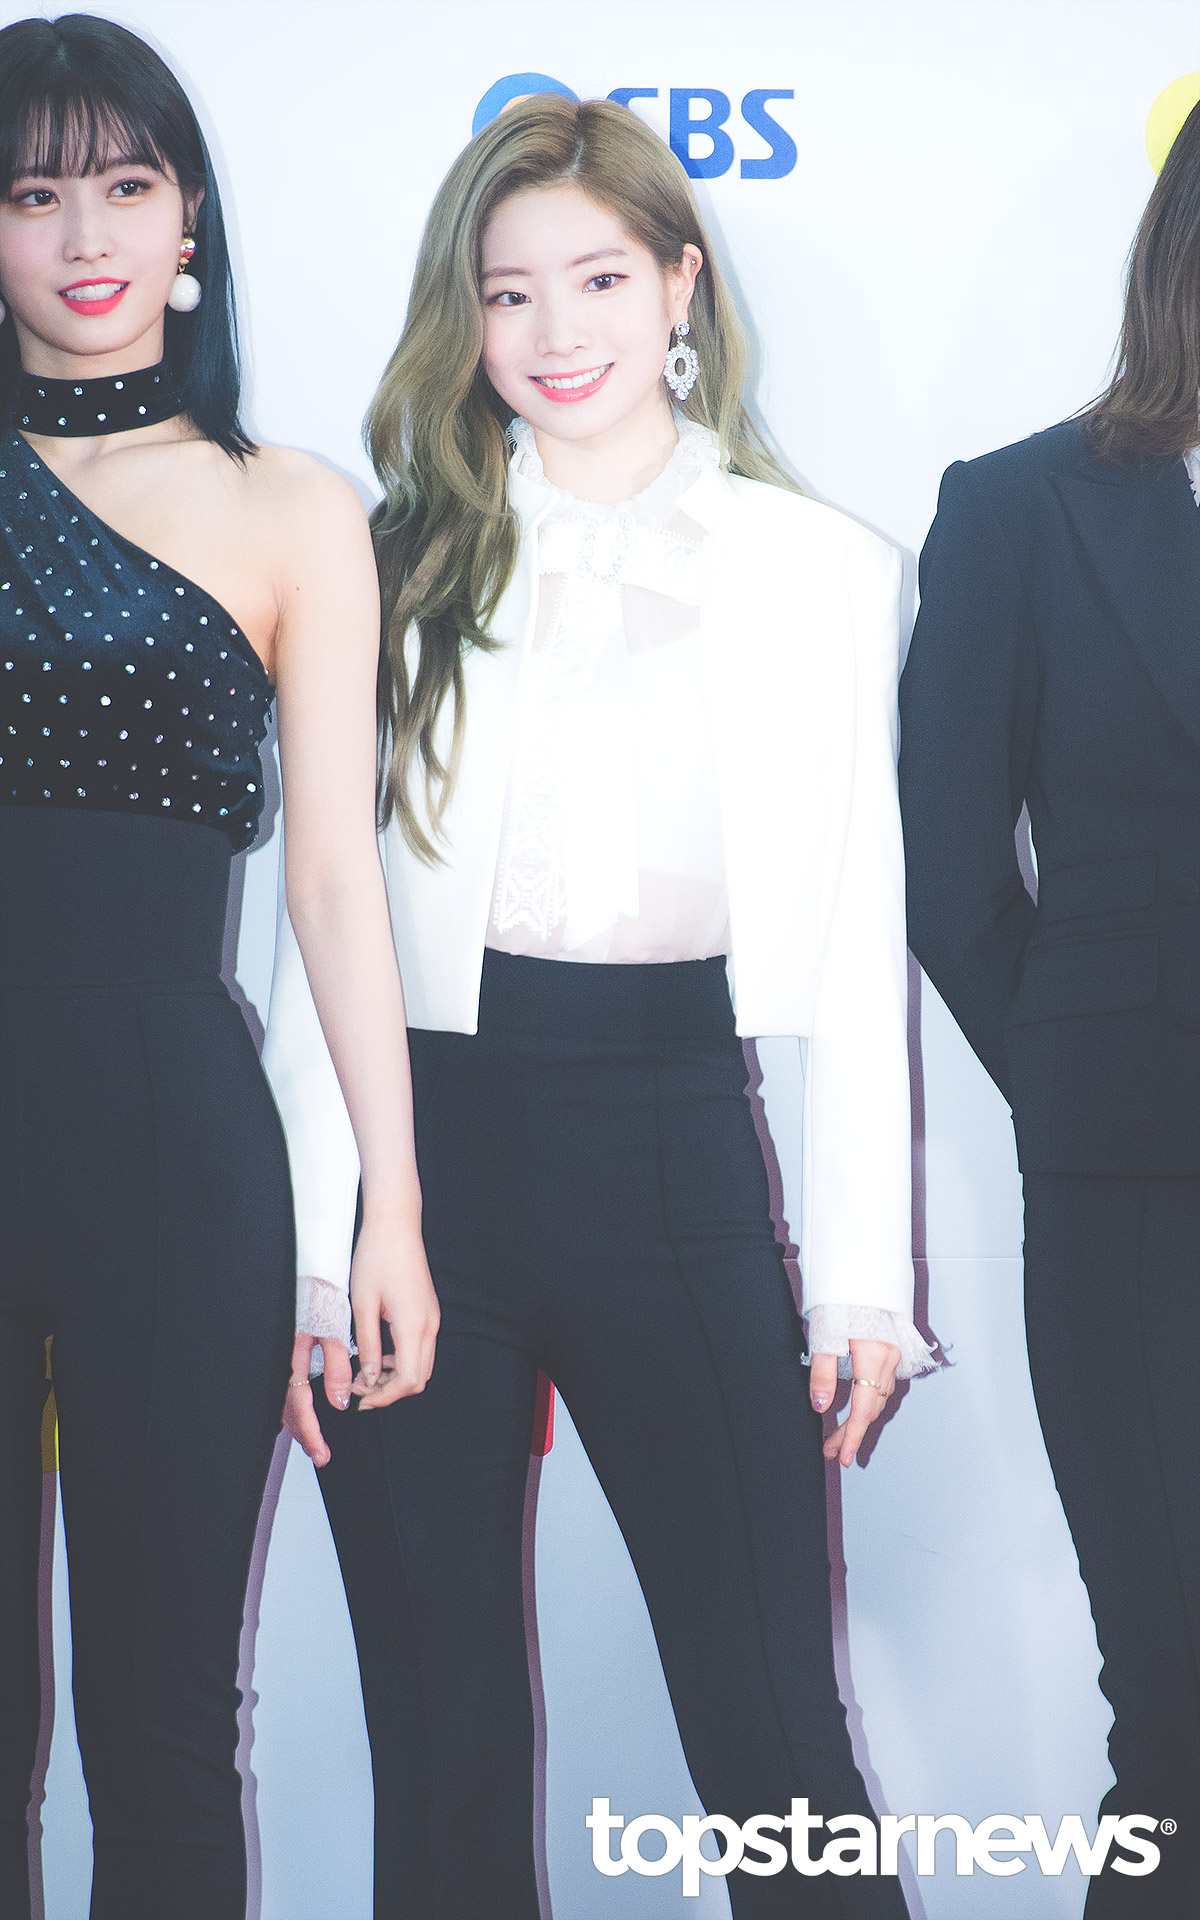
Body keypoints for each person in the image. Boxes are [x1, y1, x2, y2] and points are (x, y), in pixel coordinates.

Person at [265, 94, 931, 1919]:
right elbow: (321, 923)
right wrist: (322, 1250)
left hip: (671, 1149)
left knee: (773, 1731)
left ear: (682, 287)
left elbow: (863, 929)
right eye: (509, 294)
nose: (556, 333)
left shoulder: (824, 569)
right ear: (464, 320)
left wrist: (861, 1277)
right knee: (445, 1748)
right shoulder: (390, 565)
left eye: (601, 280)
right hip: (420, 1172)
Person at [0, 15, 436, 1920]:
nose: (85, 232)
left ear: (190, 221)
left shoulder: (289, 506)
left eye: (126, 182)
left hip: (174, 1162)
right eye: (33, 192)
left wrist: (391, 1209)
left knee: (162, 1729)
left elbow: (336, 880)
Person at [898, 97, 1200, 1920]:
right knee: (1177, 1714)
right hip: (1138, 1187)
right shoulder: (1022, 506)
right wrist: (1090, 1081)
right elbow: (950, 876)